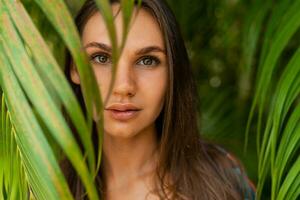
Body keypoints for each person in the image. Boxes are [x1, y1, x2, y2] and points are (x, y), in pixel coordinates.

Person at [63, 0, 256, 199]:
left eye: (147, 60)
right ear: (75, 68)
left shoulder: (223, 176)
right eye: (101, 58)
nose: (123, 86)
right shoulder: (45, 187)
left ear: (173, 72)